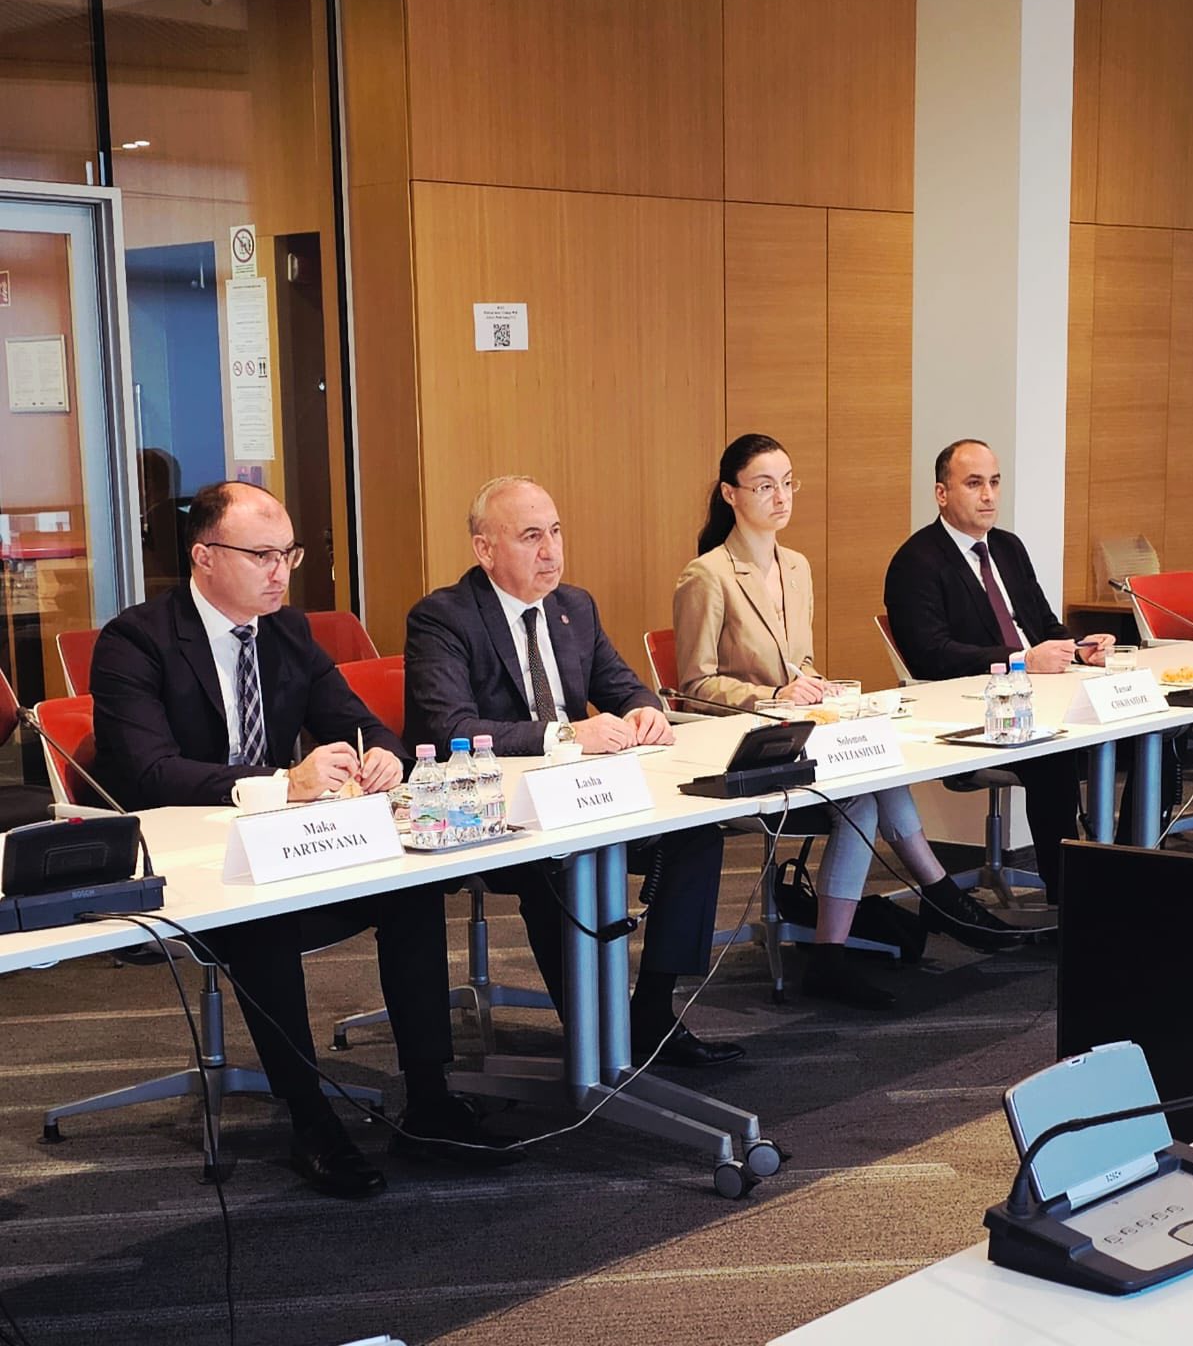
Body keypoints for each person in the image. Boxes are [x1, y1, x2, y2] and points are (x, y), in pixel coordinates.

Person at [91, 480, 523, 1199]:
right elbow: (148, 771)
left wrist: (384, 757)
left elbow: (362, 724)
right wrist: (279, 782)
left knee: (411, 887)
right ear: (204, 556)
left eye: (287, 554)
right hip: (191, 868)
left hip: (287, 845)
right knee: (262, 919)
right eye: (260, 555)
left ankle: (429, 1099)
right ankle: (312, 1121)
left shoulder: (288, 632)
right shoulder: (137, 641)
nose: (279, 572)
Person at [673, 434, 1023, 1010]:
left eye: (788, 483)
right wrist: (774, 695)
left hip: (801, 731)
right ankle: (913, 910)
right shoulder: (706, 575)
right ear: (730, 494)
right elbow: (693, 688)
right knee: (859, 800)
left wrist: (819, 685)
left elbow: (800, 663)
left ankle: (917, 908)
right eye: (765, 486)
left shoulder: (796, 566)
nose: (781, 497)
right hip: (745, 747)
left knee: (879, 765)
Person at [403, 475, 744, 1067]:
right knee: (559, 865)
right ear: (485, 549)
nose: (551, 551)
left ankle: (651, 1012)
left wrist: (643, 711)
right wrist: (565, 735)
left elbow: (625, 686)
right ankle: (592, 1036)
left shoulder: (574, 608)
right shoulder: (444, 617)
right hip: (500, 812)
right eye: (531, 536)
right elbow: (449, 727)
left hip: (586, 795)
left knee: (695, 836)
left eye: (556, 532)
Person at [884, 439, 1116, 902]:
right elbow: (933, 655)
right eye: (974, 484)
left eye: (994, 482)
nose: (988, 495)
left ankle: (1134, 863)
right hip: (976, 711)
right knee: (1054, 755)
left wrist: (1078, 647)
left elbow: (1043, 624)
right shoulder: (916, 562)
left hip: (1042, 694)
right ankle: (1068, 897)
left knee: (1149, 732)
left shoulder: (1008, 547)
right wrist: (1020, 660)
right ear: (941, 493)